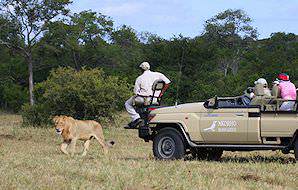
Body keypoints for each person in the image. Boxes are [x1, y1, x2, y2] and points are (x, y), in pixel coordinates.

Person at [124, 62, 171, 128]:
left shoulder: (139, 78)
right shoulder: (158, 74)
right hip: (155, 99)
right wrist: (161, 93)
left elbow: (136, 92)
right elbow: (168, 82)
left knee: (127, 103)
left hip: (143, 100)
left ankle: (136, 118)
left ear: (141, 69)